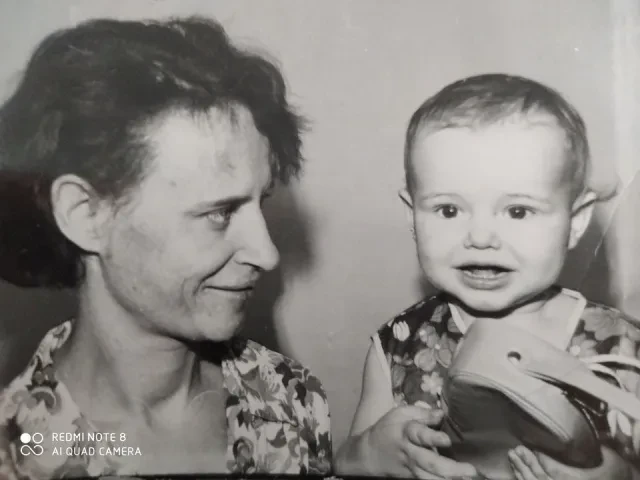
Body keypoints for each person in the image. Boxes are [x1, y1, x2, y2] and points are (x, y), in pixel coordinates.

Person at [0, 15, 332, 479]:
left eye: (262, 203)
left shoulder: (290, 396)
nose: (267, 253)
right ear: (85, 214)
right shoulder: (18, 456)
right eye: (220, 212)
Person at [334, 73, 640, 479]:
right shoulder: (398, 347)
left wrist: (624, 474)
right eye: (448, 210)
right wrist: (369, 453)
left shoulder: (623, 347)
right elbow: (346, 465)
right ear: (412, 215)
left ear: (577, 221)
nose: (479, 237)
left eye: (517, 211)